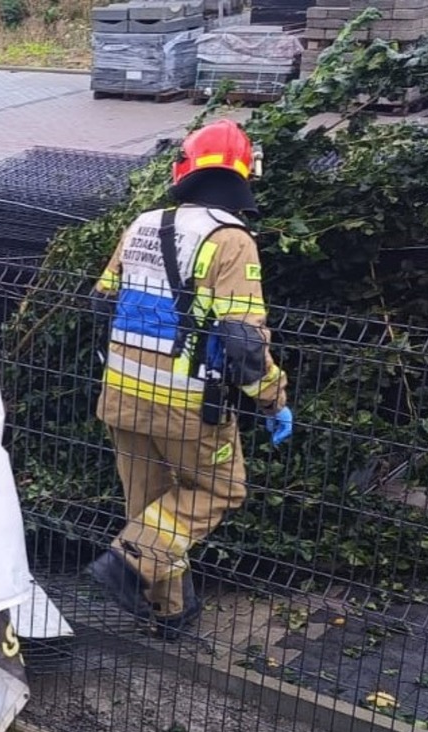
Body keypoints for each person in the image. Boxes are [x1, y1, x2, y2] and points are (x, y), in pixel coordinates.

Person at [88, 119, 293, 641]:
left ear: (185, 168)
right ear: (245, 174)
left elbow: (101, 300)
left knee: (155, 510)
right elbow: (244, 341)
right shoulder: (231, 240)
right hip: (187, 406)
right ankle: (125, 562)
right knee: (220, 491)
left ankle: (170, 613)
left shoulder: (143, 223)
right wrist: (272, 400)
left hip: (122, 396)